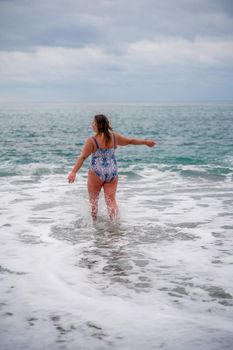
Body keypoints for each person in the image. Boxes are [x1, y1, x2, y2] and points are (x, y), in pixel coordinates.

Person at [67, 114, 156, 221]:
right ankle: (115, 225)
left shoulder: (92, 140)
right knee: (111, 200)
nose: (92, 125)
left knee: (93, 201)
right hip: (112, 171)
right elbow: (130, 141)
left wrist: (73, 172)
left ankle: (93, 226)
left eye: (93, 123)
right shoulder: (114, 137)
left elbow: (83, 157)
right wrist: (145, 142)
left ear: (98, 125)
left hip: (97, 171)